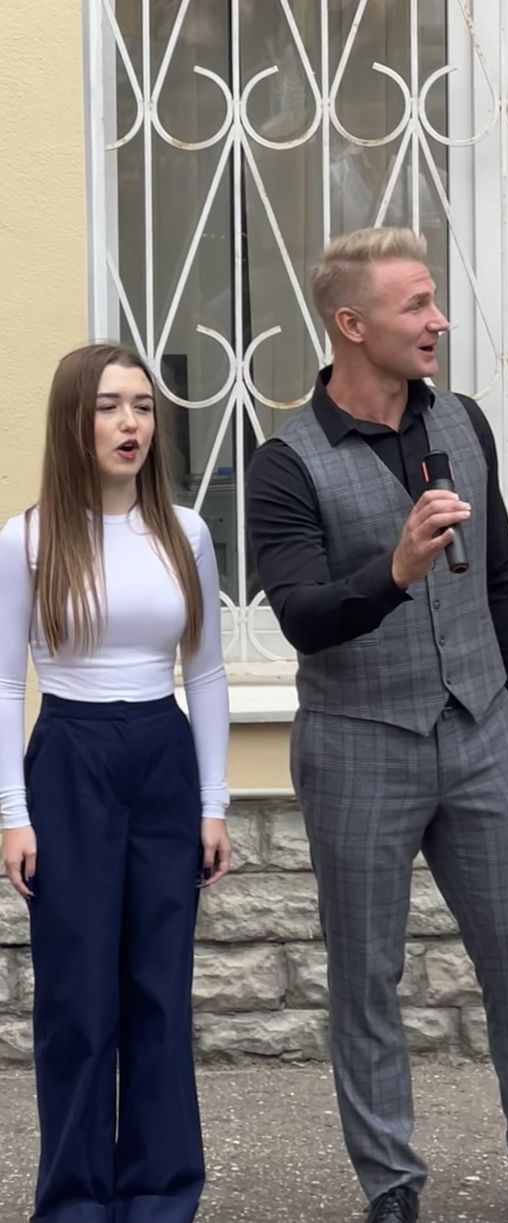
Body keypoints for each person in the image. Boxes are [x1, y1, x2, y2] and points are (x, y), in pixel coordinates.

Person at [246, 227, 508, 1223]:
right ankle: (392, 1188)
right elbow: (302, 615)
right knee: (367, 975)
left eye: (434, 301)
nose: (439, 320)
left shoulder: (464, 419)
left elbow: (499, 576)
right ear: (350, 322)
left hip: (482, 726)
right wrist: (397, 568)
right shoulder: (286, 462)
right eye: (415, 305)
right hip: (357, 740)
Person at [0, 344, 231, 1223]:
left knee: (159, 993)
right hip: (70, 759)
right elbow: (4, 684)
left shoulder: (185, 532)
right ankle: (74, 1202)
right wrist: (13, 814)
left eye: (142, 405)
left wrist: (213, 802)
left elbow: (206, 673)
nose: (130, 423)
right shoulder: (27, 540)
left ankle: (161, 1195)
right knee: (77, 1000)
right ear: (74, 420)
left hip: (163, 758)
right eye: (108, 406)